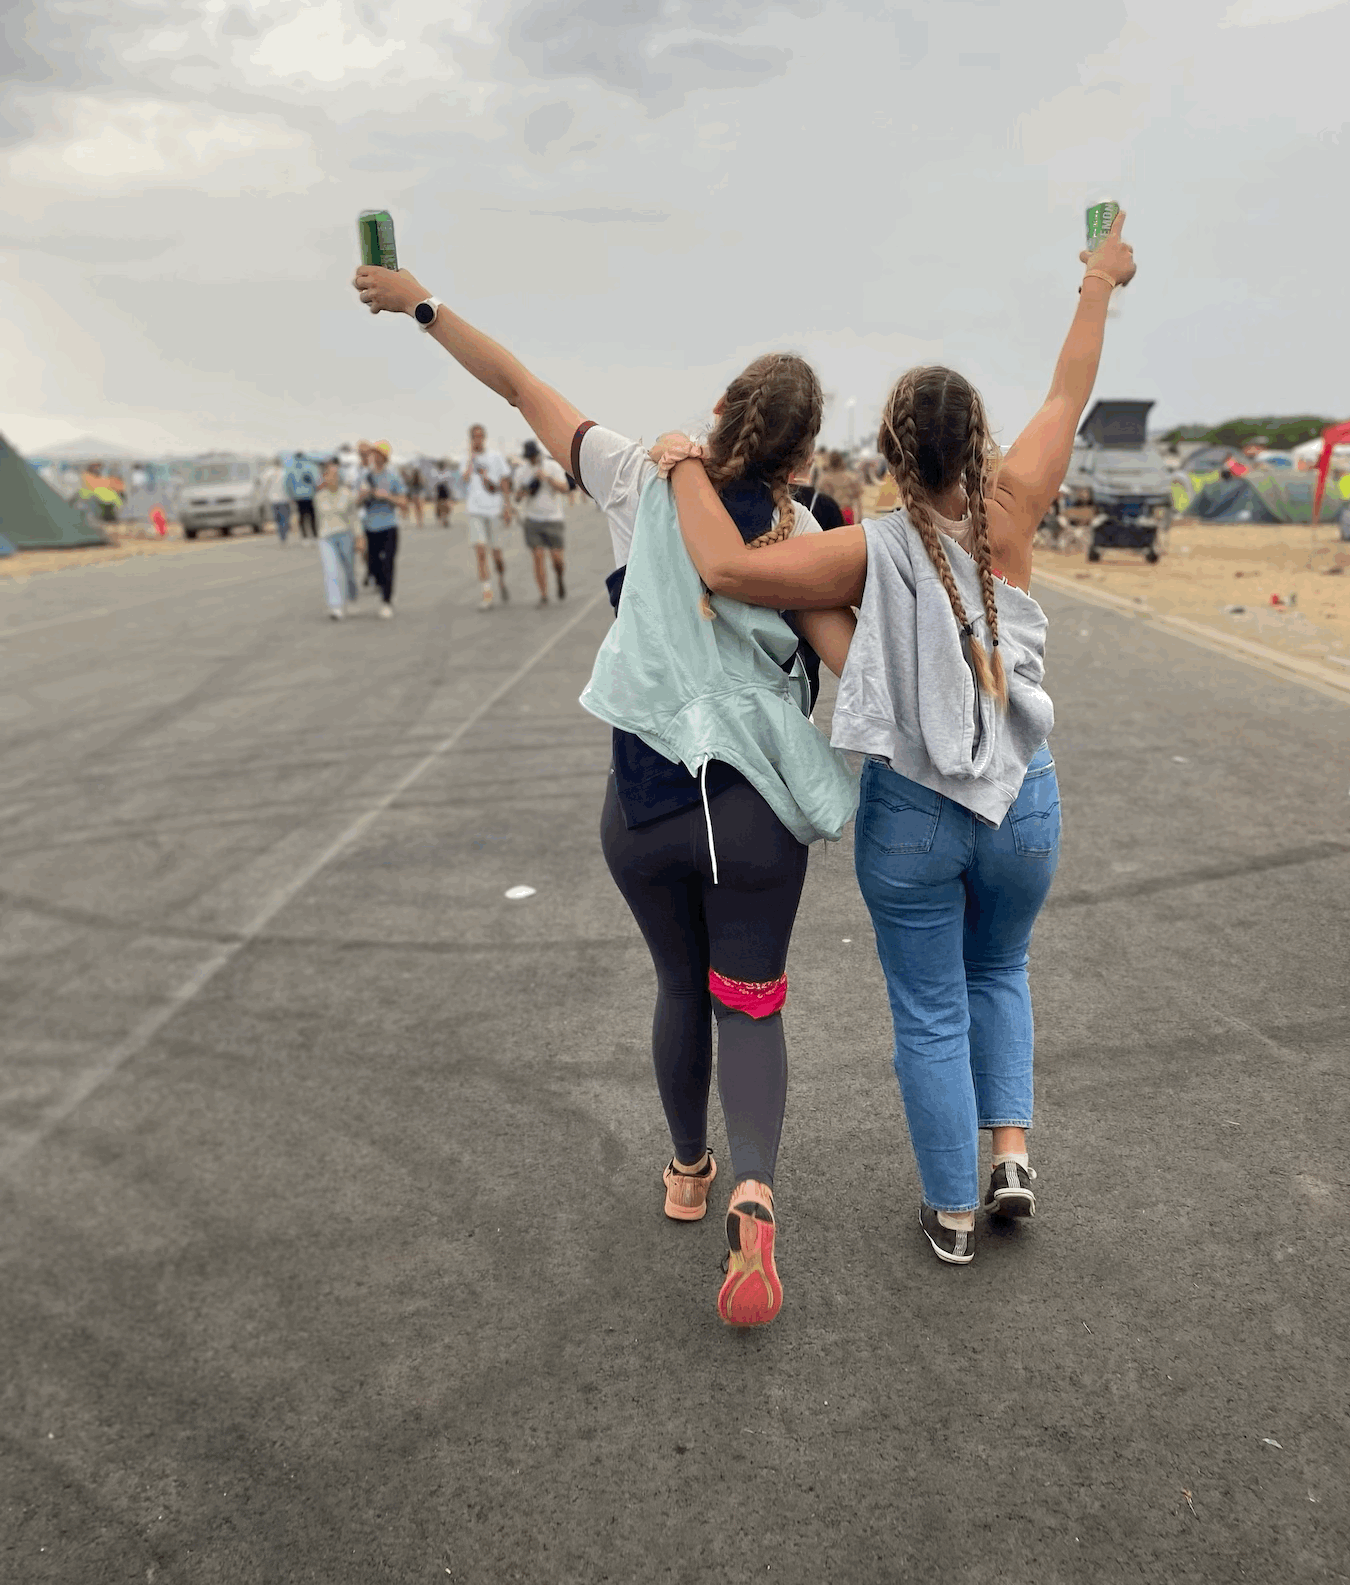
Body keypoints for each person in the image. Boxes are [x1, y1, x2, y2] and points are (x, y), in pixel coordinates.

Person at [352, 258, 859, 1329]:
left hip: (645, 807)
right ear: (806, 453)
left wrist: (422, 305)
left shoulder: (635, 474)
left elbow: (518, 385)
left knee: (682, 991)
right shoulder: (809, 531)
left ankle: (687, 1173)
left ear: (721, 411)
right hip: (758, 814)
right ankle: (756, 1190)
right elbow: (849, 668)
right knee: (751, 1002)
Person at [665, 214, 1137, 1268]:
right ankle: (1009, 1156)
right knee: (1000, 970)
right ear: (978, 441)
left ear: (886, 450)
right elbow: (1070, 391)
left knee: (929, 1008)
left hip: (915, 816)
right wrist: (1100, 281)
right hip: (1024, 798)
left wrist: (683, 466)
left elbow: (729, 572)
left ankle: (951, 1213)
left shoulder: (857, 551)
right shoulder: (1015, 512)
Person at [462, 423, 512, 608]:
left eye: (480, 436)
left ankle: (501, 578)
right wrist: (470, 459)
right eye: (474, 436)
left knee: (497, 555)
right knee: (481, 552)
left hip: (494, 510)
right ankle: (487, 592)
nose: (477, 439)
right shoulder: (467, 459)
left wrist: (507, 506)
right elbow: (465, 478)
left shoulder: (495, 458)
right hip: (474, 510)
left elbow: (504, 481)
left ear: (484, 437)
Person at [516, 438, 570, 604]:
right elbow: (517, 497)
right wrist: (524, 490)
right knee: (538, 556)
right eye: (529, 457)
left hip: (553, 518)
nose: (532, 459)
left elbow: (565, 488)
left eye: (534, 456)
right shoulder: (521, 471)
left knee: (557, 559)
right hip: (533, 519)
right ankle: (543, 594)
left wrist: (547, 478)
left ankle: (559, 577)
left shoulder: (552, 466)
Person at [360, 441, 404, 619]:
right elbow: (356, 500)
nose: (375, 457)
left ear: (385, 457)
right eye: (373, 454)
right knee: (373, 564)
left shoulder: (393, 477)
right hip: (370, 525)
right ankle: (379, 583)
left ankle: (386, 600)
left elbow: (403, 502)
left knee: (388, 564)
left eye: (378, 454)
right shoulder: (365, 476)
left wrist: (386, 496)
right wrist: (363, 495)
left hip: (389, 525)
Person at [315, 461, 359, 619]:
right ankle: (335, 607)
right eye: (327, 475)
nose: (330, 478)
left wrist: (359, 537)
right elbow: (319, 519)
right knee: (331, 571)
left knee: (349, 571)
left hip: (345, 534)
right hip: (326, 537)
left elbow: (354, 517)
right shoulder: (319, 497)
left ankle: (352, 597)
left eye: (334, 475)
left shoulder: (347, 494)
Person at [287, 456, 319, 538]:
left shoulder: (292, 468)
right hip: (310, 495)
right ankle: (315, 535)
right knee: (312, 516)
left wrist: (291, 495)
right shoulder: (310, 467)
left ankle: (305, 536)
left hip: (298, 496)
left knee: (302, 516)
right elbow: (316, 480)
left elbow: (288, 483)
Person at [264, 462, 292, 543]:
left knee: (278, 518)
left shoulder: (269, 473)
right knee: (284, 518)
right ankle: (283, 534)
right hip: (283, 499)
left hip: (275, 499)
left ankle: (282, 535)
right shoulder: (284, 472)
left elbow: (264, 486)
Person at [403, 458, 427, 525]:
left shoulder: (418, 477)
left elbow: (422, 484)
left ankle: (420, 521)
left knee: (418, 507)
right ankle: (420, 521)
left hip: (417, 492)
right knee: (419, 508)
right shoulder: (415, 477)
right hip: (417, 492)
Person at [434, 460, 454, 527]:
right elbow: (435, 484)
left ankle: (445, 517)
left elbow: (450, 483)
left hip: (445, 489)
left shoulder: (447, 473)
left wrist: (451, 491)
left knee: (447, 505)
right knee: (440, 505)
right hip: (439, 489)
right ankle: (443, 518)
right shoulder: (436, 473)